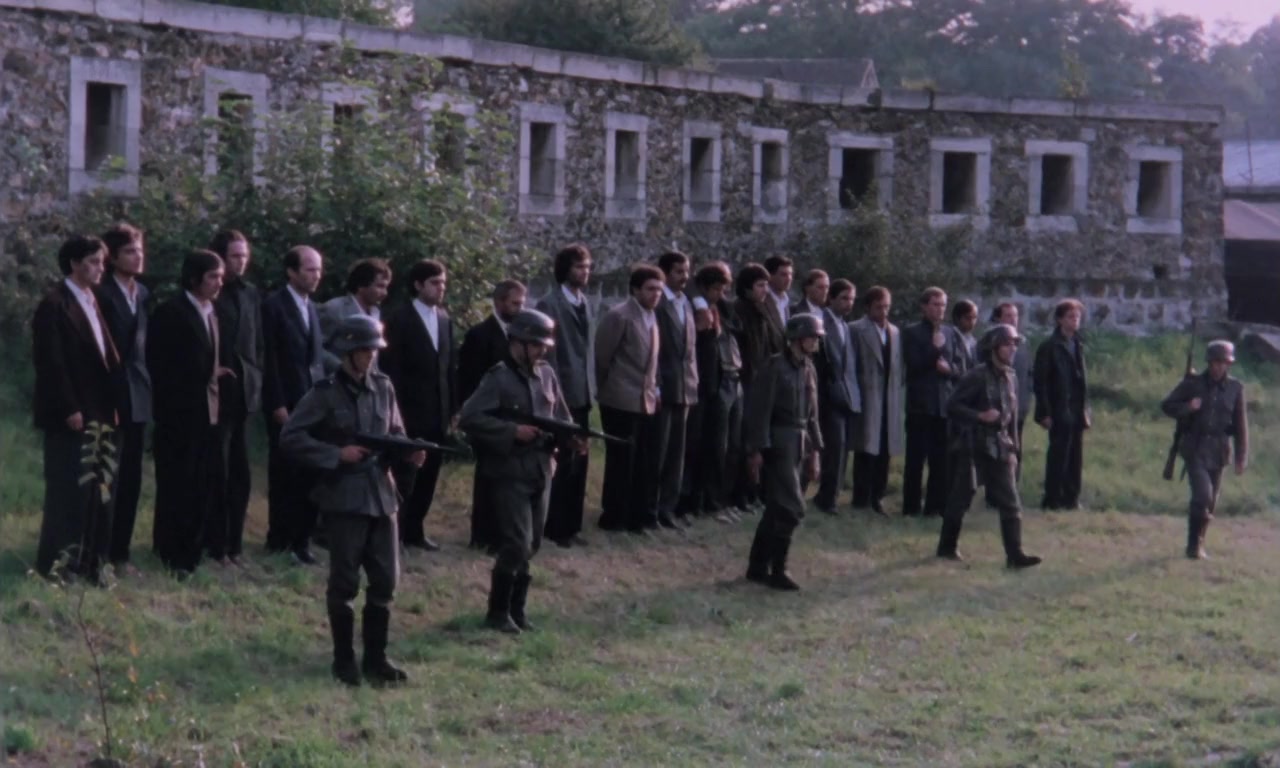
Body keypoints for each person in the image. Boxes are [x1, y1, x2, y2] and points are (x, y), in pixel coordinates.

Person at [280, 314, 422, 686]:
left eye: (374, 349)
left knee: (386, 581)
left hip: (382, 494)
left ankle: (377, 659)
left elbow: (395, 431)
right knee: (344, 582)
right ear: (347, 351)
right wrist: (334, 454)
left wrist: (408, 451)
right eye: (364, 350)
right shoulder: (324, 393)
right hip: (344, 496)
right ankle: (343, 660)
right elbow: (291, 436)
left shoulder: (384, 387)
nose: (371, 356)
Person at [458, 309, 582, 633]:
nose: (542, 351)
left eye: (544, 346)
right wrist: (511, 431)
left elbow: (561, 417)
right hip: (509, 469)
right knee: (517, 541)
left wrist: (572, 438)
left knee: (533, 542)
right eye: (536, 345)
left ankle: (517, 610)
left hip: (542, 467)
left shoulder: (547, 375)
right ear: (518, 343)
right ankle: (497, 612)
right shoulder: (498, 378)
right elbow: (470, 417)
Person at [33, 236, 121, 584]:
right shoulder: (54, 304)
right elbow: (51, 363)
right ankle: (59, 567)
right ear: (74, 264)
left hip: (100, 410)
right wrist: (69, 407)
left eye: (102, 261)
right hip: (70, 413)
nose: (101, 268)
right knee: (68, 491)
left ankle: (92, 564)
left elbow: (104, 358)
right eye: (94, 261)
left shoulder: (92, 300)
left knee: (98, 490)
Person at [147, 250, 230, 577]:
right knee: (177, 484)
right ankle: (172, 553)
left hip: (208, 411)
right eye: (212, 277)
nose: (219, 283)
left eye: (221, 277)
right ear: (194, 278)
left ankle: (193, 550)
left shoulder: (212, 312)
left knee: (201, 484)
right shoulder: (172, 312)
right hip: (178, 414)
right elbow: (161, 364)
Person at [935, 324, 1042, 569]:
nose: (1012, 349)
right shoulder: (977, 375)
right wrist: (980, 416)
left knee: (1010, 502)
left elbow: (1012, 416)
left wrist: (1014, 448)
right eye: (1007, 344)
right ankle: (946, 547)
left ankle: (1015, 555)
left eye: (1014, 344)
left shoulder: (1011, 376)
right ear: (994, 347)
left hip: (1000, 447)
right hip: (973, 446)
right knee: (960, 499)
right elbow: (953, 406)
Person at [380, 258, 458, 552]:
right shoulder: (399, 318)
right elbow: (392, 369)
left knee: (429, 474)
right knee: (404, 474)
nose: (441, 288)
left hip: (438, 411)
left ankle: (415, 530)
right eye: (435, 283)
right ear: (418, 285)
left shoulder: (445, 319)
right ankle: (395, 533)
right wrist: (395, 412)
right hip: (408, 411)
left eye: (443, 283)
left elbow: (449, 368)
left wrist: (453, 409)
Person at [744, 313, 824, 591]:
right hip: (779, 442)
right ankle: (779, 568)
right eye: (812, 336)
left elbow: (813, 415)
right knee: (792, 507)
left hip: (801, 442)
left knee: (777, 508)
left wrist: (816, 450)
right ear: (798, 338)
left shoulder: (809, 369)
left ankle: (757, 567)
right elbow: (760, 411)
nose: (816, 341)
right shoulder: (775, 367)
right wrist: (756, 449)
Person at [261, 245, 326, 562]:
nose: (316, 275)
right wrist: (276, 403)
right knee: (285, 474)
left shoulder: (310, 307)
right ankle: (280, 539)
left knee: (309, 474)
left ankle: (302, 540)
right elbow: (269, 358)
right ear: (291, 272)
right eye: (310, 269)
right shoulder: (274, 306)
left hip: (311, 404)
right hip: (285, 403)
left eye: (319, 269)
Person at [94, 223, 151, 572]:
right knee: (106, 477)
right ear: (112, 257)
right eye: (130, 251)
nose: (138, 256)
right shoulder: (101, 294)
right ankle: (99, 551)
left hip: (139, 394)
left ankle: (121, 552)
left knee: (131, 477)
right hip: (109, 394)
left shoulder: (142, 293)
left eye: (139, 250)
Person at [1160, 341, 1248, 559]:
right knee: (1202, 495)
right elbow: (1167, 405)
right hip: (1195, 447)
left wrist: (1241, 457)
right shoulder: (1193, 384)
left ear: (1228, 364)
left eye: (1223, 362)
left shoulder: (1235, 388)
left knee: (1211, 502)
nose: (1218, 366)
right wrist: (1188, 407)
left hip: (1219, 451)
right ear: (1208, 362)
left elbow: (1240, 425)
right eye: (1215, 362)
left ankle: (1198, 542)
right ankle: (1193, 545)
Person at [594, 264, 663, 534]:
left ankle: (637, 516)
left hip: (644, 399)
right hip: (619, 398)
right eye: (650, 289)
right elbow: (602, 357)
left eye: (659, 289)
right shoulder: (619, 316)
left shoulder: (652, 316)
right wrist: (608, 389)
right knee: (621, 461)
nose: (656, 294)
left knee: (643, 460)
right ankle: (614, 517)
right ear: (635, 290)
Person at [458, 279, 526, 550]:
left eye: (522, 303)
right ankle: (482, 536)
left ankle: (502, 533)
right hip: (487, 416)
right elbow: (468, 378)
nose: (519, 309)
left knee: (507, 480)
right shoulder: (480, 335)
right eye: (514, 303)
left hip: (512, 417)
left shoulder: (520, 336)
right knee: (487, 477)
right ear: (498, 303)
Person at [210, 229, 264, 564]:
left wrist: (257, 380)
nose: (241, 262)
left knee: (241, 474)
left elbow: (256, 344)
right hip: (216, 394)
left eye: (244, 256)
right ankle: (214, 543)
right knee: (217, 471)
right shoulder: (211, 293)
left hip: (245, 394)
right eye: (235, 256)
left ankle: (234, 544)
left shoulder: (251, 294)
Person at [538, 244, 596, 548]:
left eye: (587, 267)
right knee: (561, 461)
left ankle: (573, 525)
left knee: (579, 460)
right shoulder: (550, 303)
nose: (584, 272)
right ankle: (555, 526)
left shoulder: (585, 302)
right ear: (565, 269)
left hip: (582, 392)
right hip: (561, 392)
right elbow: (549, 356)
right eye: (578, 267)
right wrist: (555, 395)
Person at [681, 261, 743, 523]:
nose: (720, 294)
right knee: (699, 446)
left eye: (724, 289)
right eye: (716, 289)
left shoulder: (721, 308)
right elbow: (690, 287)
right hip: (703, 383)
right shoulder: (693, 302)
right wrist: (699, 302)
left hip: (723, 382)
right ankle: (692, 502)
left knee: (722, 446)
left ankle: (713, 500)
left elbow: (736, 324)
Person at [901, 287, 964, 518]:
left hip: (943, 405)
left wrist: (949, 369)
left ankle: (936, 506)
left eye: (943, 305)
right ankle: (911, 507)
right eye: (935, 304)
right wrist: (935, 350)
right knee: (916, 459)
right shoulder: (912, 332)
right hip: (920, 405)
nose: (940, 309)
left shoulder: (951, 332)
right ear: (924, 306)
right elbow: (914, 365)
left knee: (941, 460)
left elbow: (960, 367)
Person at [850, 286, 903, 516]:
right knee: (865, 449)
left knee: (884, 450)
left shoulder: (895, 332)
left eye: (887, 307)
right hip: (868, 394)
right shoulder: (856, 329)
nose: (883, 312)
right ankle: (861, 498)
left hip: (889, 398)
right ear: (868, 307)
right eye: (879, 307)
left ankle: (877, 496)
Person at [654, 251, 698, 529]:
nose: (684, 277)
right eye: (679, 272)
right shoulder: (659, 304)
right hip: (664, 387)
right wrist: (656, 385)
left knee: (677, 454)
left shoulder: (686, 303)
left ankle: (668, 509)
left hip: (685, 388)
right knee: (659, 452)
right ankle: (652, 508)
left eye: (686, 271)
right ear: (666, 273)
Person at [811, 278, 861, 514]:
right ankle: (826, 498)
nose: (848, 303)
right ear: (831, 298)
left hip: (845, 396)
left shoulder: (844, 325)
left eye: (851, 299)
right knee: (833, 446)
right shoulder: (822, 321)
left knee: (841, 447)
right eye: (844, 298)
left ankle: (831, 495)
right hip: (828, 395)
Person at [1034, 298, 1089, 510]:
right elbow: (1041, 382)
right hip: (1058, 407)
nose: (1075, 320)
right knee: (1059, 455)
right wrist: (1045, 412)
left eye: (1077, 316)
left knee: (1075, 455)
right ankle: (1052, 499)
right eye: (1070, 316)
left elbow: (1082, 380)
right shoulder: (1049, 347)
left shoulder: (1078, 344)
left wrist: (1085, 409)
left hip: (1076, 407)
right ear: (1060, 319)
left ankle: (1071, 498)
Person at [318, 258, 392, 372]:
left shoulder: (376, 313)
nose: (385, 293)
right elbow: (317, 348)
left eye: (386, 287)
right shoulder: (334, 309)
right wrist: (339, 368)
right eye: (380, 286)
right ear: (361, 285)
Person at [990, 302, 1031, 479]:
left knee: (1016, 445)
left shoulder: (1023, 343)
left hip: (1018, 405)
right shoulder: (990, 343)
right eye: (1008, 315)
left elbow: (1027, 374)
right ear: (998, 318)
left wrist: (1025, 401)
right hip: (997, 406)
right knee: (998, 448)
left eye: (1015, 315)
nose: (1013, 319)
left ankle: (1014, 484)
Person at [763, 255, 794, 326]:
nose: (789, 278)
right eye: (783, 275)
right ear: (769, 276)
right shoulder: (762, 300)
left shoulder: (786, 300)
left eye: (790, 274)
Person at [952, 299, 979, 371]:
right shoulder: (950, 337)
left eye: (974, 318)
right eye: (968, 318)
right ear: (957, 318)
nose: (972, 322)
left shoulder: (973, 341)